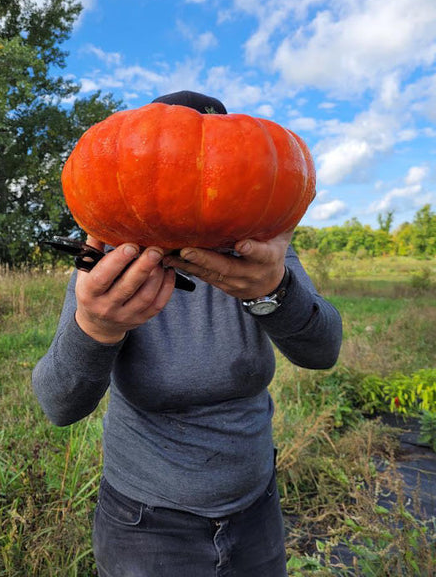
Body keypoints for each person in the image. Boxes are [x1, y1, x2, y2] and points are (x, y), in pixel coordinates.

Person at [32, 90, 343, 577]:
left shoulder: (257, 250)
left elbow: (323, 351)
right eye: (179, 155)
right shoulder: (114, 260)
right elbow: (59, 405)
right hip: (146, 522)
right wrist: (96, 326)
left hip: (255, 506)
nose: (200, 167)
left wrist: (272, 291)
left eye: (219, 154)